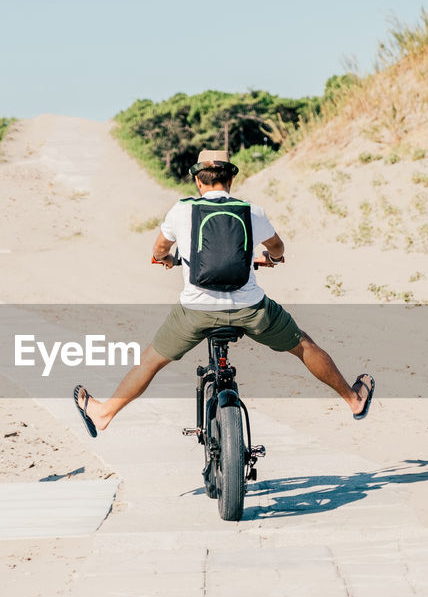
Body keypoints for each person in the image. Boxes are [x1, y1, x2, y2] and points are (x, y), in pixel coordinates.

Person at [73, 149, 373, 437]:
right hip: (251, 310)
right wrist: (271, 259)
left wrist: (166, 260)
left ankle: (104, 413)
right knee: (303, 346)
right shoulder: (250, 211)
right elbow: (278, 248)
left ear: (198, 181)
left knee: (150, 360)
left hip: (195, 312)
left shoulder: (182, 210)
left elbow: (159, 249)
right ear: (230, 180)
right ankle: (352, 399)